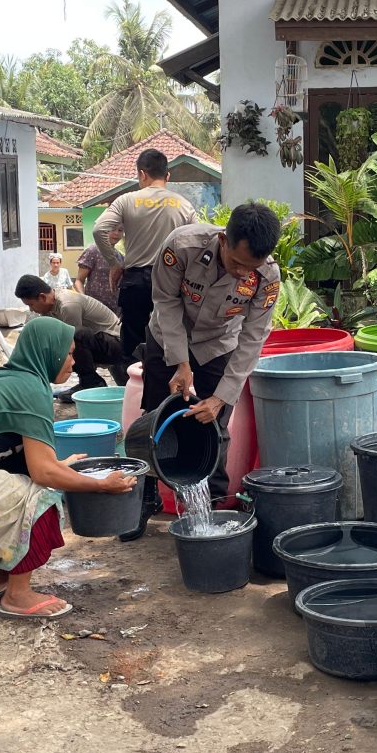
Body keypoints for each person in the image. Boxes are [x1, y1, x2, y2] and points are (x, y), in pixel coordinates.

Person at [0, 318, 136, 617]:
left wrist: (58, 466)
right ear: (48, 351)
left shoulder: (9, 377)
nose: (74, 362)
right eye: (69, 353)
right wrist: (102, 484)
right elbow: (43, 473)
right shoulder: (30, 388)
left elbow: (17, 459)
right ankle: (17, 595)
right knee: (42, 498)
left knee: (20, 481)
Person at [121, 203, 282, 542]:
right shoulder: (182, 246)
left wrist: (221, 398)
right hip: (167, 336)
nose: (243, 274)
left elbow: (253, 338)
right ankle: (145, 499)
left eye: (250, 268)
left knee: (214, 426)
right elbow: (166, 302)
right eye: (237, 263)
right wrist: (180, 362)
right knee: (154, 419)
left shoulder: (267, 278)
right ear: (223, 240)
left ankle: (210, 507)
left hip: (218, 345)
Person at [91, 149, 195, 363]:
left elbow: (99, 229)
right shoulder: (184, 204)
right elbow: (196, 242)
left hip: (136, 280)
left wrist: (114, 263)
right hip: (171, 280)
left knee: (132, 343)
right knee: (171, 337)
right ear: (167, 176)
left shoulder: (126, 200)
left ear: (142, 174)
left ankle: (134, 382)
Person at [15, 275, 129, 398]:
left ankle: (90, 383)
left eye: (31, 305)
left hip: (116, 344)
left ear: (42, 297)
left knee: (73, 336)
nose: (31, 310)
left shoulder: (68, 305)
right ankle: (87, 381)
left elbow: (69, 343)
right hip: (100, 342)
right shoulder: (49, 308)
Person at [77, 228, 123, 317]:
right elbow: (79, 281)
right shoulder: (93, 251)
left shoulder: (120, 256)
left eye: (120, 230)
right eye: (112, 229)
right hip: (95, 308)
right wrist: (85, 301)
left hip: (115, 309)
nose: (116, 233)